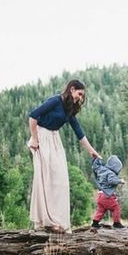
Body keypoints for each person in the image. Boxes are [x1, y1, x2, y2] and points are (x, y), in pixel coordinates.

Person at [28, 79, 100, 233]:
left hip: (54, 139)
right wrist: (34, 138)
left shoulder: (69, 108)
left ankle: (58, 220)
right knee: (45, 180)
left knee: (60, 180)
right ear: (72, 89)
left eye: (82, 96)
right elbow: (33, 117)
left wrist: (91, 150)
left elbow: (78, 131)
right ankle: (47, 222)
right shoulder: (55, 101)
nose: (80, 98)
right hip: (42, 137)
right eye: (79, 94)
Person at [91, 155, 125, 229]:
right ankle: (116, 223)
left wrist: (96, 158)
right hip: (107, 195)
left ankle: (95, 222)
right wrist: (120, 181)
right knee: (115, 208)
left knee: (101, 209)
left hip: (100, 195)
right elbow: (111, 181)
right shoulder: (111, 173)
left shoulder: (101, 169)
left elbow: (95, 166)